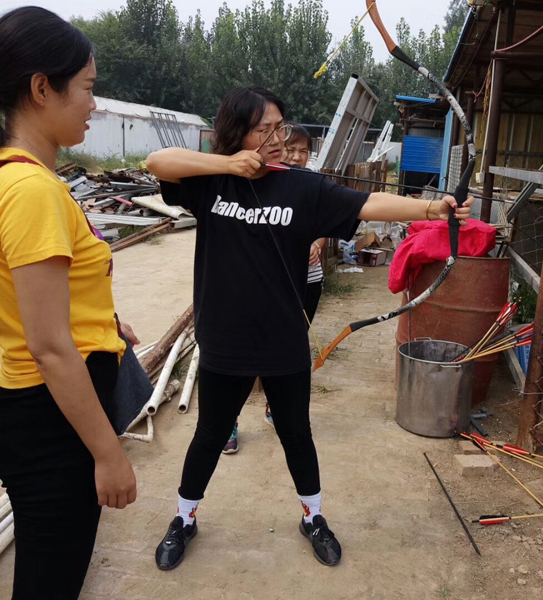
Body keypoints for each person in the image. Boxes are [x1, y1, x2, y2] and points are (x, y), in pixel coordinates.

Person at [147, 85, 472, 571]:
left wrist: (431, 209)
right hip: (225, 339)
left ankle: (313, 517)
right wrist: (228, 164)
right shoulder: (210, 182)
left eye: (280, 127)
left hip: (283, 340)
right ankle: (184, 518)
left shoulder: (302, 187)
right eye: (264, 130)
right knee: (210, 434)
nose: (278, 139)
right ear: (237, 133)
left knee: (296, 433)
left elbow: (367, 203)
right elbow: (157, 161)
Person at [0, 8, 137, 599]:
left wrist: (103, 324)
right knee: (49, 579)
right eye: (86, 87)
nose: (94, 104)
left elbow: (27, 304)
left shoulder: (14, 179)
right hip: (52, 423)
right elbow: (50, 347)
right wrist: (108, 455)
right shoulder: (32, 191)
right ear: (41, 88)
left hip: (37, 410)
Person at [222, 123, 324, 451]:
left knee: (289, 350)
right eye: (291, 149)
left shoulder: (313, 184)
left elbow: (327, 224)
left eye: (303, 151)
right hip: (266, 288)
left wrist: (317, 244)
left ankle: (275, 408)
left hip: (308, 282)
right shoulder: (257, 181)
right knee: (242, 353)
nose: (296, 156)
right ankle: (228, 420)